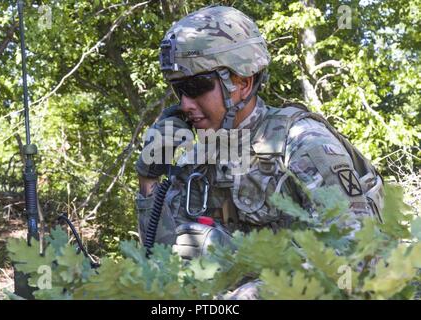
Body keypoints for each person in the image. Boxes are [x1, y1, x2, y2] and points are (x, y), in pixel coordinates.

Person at [134, 5, 384, 298]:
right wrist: (149, 180)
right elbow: (161, 263)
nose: (186, 104)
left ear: (242, 82)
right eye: (179, 90)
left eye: (197, 86)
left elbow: (360, 258)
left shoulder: (302, 143)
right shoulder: (197, 158)